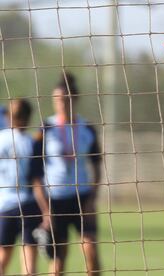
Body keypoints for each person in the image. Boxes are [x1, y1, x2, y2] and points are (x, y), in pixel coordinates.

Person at [34, 72, 101, 276]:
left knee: (91, 251)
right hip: (55, 200)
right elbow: (35, 173)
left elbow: (97, 165)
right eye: (57, 99)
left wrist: (92, 197)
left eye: (65, 99)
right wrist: (45, 208)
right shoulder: (45, 128)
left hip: (82, 198)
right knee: (58, 260)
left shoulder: (87, 128)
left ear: (75, 99)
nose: (61, 103)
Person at [0, 99, 43, 275]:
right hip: (28, 205)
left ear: (9, 117)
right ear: (28, 117)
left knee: (2, 259)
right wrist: (46, 210)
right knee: (29, 264)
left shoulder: (1, 138)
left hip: (4, 205)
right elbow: (37, 180)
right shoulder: (31, 143)